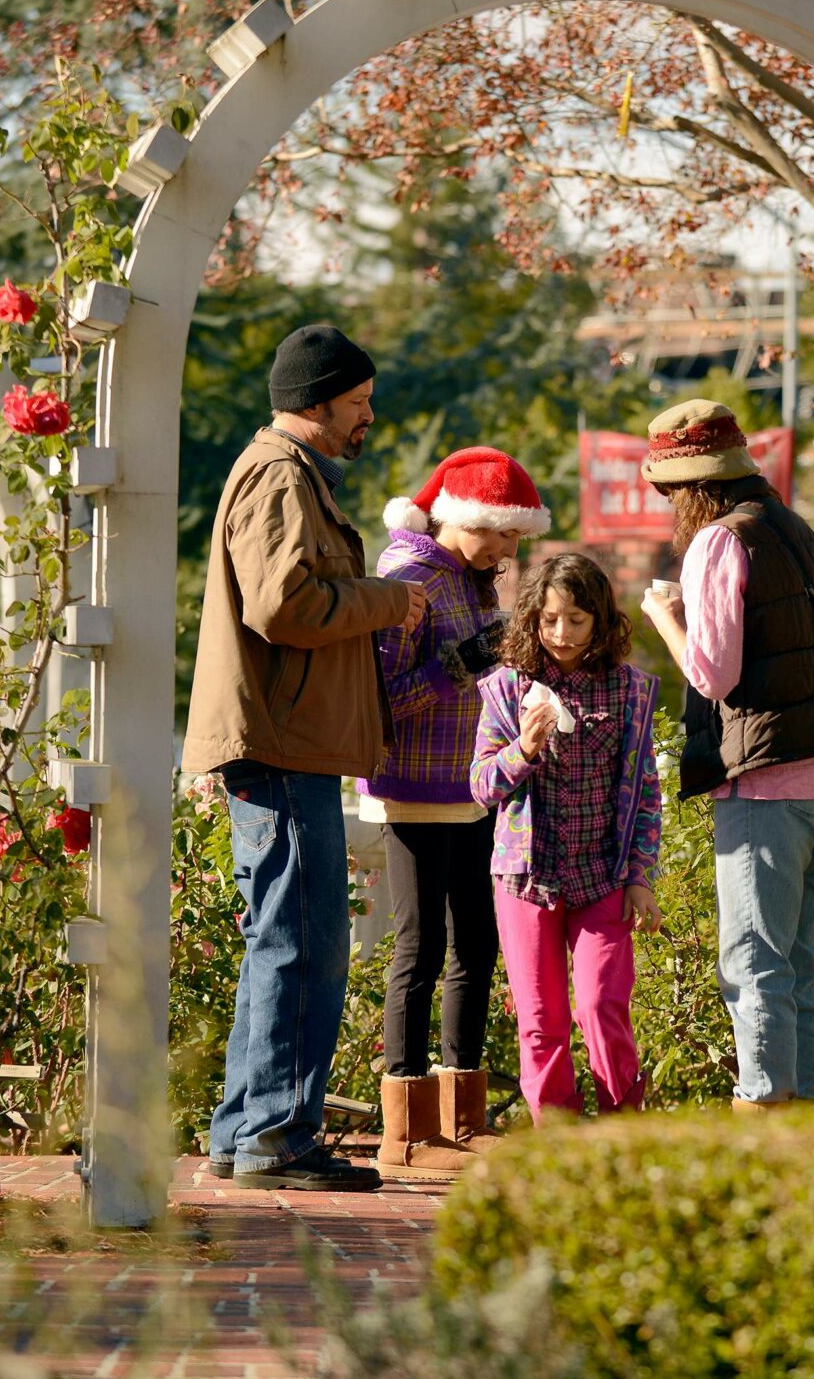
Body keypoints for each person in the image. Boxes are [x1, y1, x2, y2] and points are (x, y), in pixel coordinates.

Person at [185, 324, 428, 1193]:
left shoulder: (287, 474)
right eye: (358, 404)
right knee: (302, 943)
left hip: (287, 744)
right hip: (283, 747)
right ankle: (278, 1137)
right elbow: (284, 606)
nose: (369, 418)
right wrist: (392, 600)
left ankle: (247, 1130)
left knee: (280, 941)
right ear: (315, 403)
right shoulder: (281, 475)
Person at [635, 399, 814, 1111]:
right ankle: (803, 1114)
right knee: (798, 966)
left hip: (763, 780)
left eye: (667, 492)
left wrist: (667, 618)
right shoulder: (792, 527)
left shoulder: (719, 543)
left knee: (752, 961)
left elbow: (712, 673)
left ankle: (761, 1111)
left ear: (690, 486)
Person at [363, 447, 550, 1170]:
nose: (507, 549)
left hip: (474, 785)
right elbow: (380, 700)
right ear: (458, 517)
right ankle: (404, 1128)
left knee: (478, 944)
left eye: (514, 537)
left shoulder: (474, 582)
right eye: (497, 532)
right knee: (420, 949)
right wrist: (465, 662)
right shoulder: (406, 575)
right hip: (410, 783)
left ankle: (460, 1116)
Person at [469, 552, 664, 1122]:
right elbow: (481, 786)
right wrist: (523, 750)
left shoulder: (628, 690)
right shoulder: (505, 690)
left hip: (601, 876)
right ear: (532, 619)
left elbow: (645, 791)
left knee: (603, 1004)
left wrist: (639, 876)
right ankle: (557, 1138)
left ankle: (621, 1129)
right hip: (525, 878)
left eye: (576, 620)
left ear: (600, 620)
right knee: (539, 1021)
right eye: (550, 619)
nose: (561, 633)